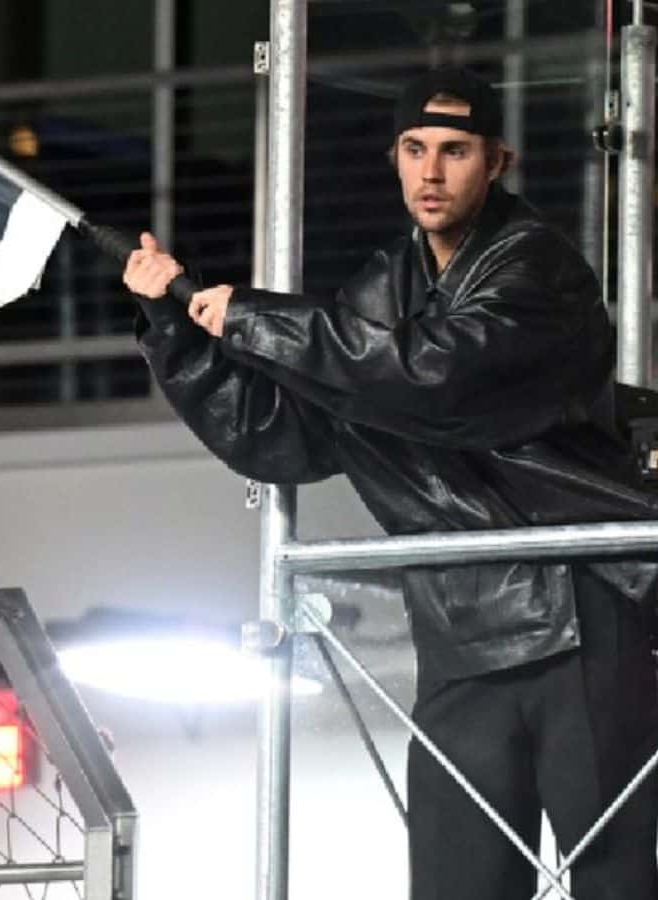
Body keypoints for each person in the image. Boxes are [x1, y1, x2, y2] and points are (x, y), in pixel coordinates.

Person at [124, 65, 658, 900]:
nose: (431, 172)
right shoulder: (379, 293)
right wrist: (173, 332)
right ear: (394, 158)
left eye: (454, 150)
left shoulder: (539, 269)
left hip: (577, 611)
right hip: (456, 630)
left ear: (499, 162)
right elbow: (280, 439)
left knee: (616, 883)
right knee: (455, 886)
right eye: (414, 148)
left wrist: (257, 319)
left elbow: (438, 380)